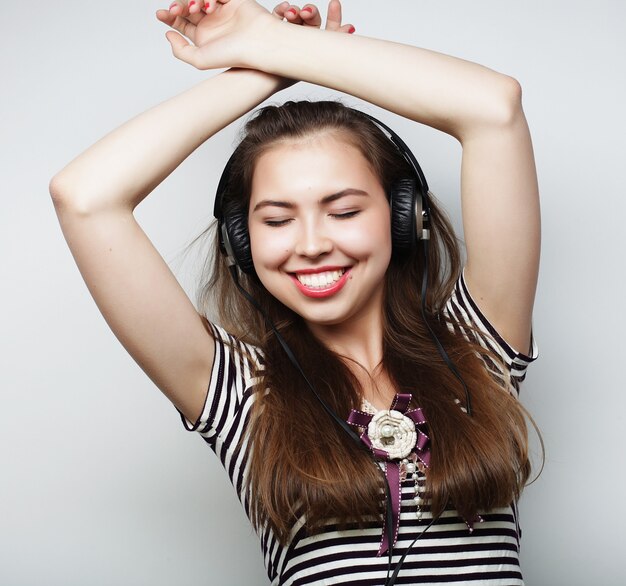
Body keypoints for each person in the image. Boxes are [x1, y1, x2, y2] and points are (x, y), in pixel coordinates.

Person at [49, 1, 541, 583]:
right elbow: (83, 195)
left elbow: (494, 106)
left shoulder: (476, 349)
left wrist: (281, 44)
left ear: (402, 218)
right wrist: (264, 70)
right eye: (277, 221)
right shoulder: (241, 393)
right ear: (241, 241)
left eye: (344, 210)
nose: (310, 245)